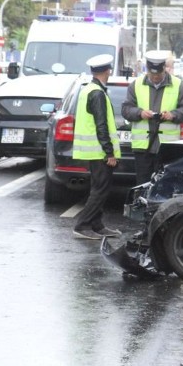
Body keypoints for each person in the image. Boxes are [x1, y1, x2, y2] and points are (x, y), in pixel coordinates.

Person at [121, 50, 183, 186]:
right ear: (147, 70)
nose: (155, 77)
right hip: (143, 148)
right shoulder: (136, 85)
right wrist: (140, 113)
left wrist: (173, 115)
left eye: (158, 75)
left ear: (164, 70)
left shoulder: (179, 85)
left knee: (165, 185)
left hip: (167, 148)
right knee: (142, 185)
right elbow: (126, 110)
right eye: (152, 75)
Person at [72, 54, 123, 240]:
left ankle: (97, 225)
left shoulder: (89, 89)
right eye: (109, 70)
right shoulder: (97, 93)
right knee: (100, 190)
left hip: (94, 150)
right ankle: (82, 225)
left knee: (99, 188)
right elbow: (101, 125)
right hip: (98, 151)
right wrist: (109, 152)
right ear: (107, 71)